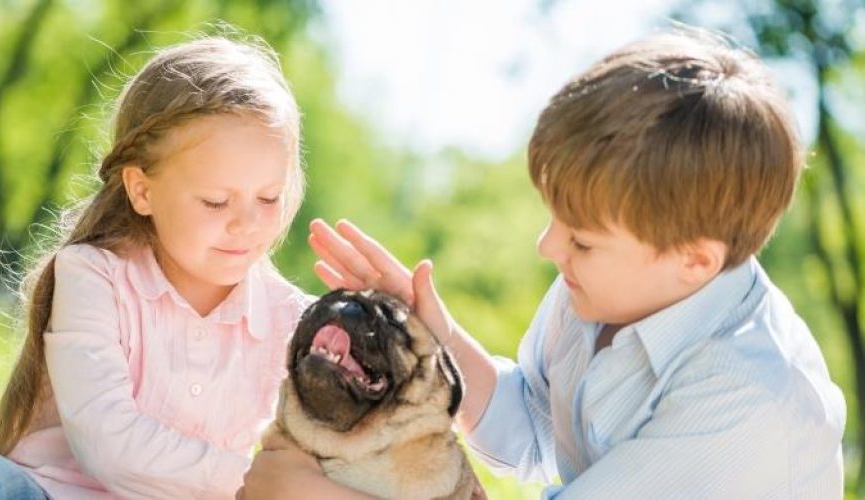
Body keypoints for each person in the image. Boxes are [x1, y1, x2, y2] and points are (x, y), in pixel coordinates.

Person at [238, 29, 846, 499]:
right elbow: (535, 426)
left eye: (581, 240)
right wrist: (436, 340)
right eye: (554, 218)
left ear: (693, 260)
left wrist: (303, 491)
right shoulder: (604, 292)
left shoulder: (747, 404)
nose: (549, 249)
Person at [0, 35, 313, 500]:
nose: (247, 224)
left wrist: (390, 324)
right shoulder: (93, 275)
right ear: (142, 189)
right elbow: (109, 440)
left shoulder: (300, 323)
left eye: (269, 198)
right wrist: (261, 481)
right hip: (46, 494)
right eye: (216, 202)